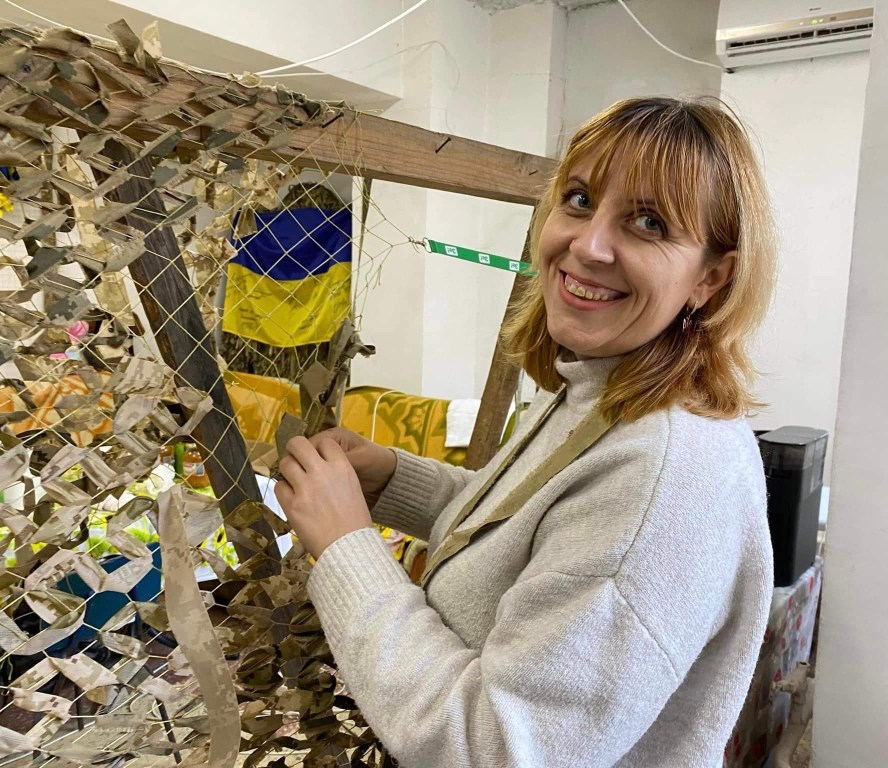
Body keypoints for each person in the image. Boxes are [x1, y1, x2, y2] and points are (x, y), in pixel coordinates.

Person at [275, 96, 777, 767]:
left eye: (649, 223)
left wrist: (346, 548)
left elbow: (500, 749)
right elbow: (531, 531)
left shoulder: (664, 477)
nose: (588, 246)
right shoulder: (604, 386)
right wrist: (393, 481)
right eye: (579, 199)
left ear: (710, 277)